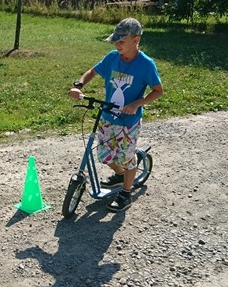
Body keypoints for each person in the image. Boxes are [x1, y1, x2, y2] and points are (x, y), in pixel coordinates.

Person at [69, 17, 163, 212]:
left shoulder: (146, 64)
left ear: (136, 40)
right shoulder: (112, 58)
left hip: (128, 121)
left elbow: (157, 91)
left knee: (127, 158)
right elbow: (92, 72)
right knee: (104, 155)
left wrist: (137, 103)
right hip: (108, 116)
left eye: (122, 41)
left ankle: (126, 193)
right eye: (115, 41)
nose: (117, 45)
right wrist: (79, 85)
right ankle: (120, 176)